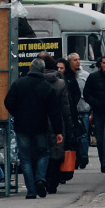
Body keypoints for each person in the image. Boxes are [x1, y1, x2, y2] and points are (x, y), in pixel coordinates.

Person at [5, 58, 63, 198]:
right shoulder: (47, 86)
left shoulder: (19, 83)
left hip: (22, 126)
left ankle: (31, 191)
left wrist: (17, 113)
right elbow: (54, 111)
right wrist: (58, 131)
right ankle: (40, 179)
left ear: (30, 69)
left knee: (25, 159)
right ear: (43, 70)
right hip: (40, 126)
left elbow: (8, 101)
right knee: (43, 153)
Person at [40, 54, 73, 193]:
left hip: (38, 121)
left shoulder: (34, 81)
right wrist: (69, 125)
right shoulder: (60, 83)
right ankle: (52, 183)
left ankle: (42, 179)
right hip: (57, 121)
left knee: (41, 152)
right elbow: (66, 106)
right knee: (56, 152)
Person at [65, 53, 91, 169]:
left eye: (79, 59)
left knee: (84, 135)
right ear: (69, 61)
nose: (78, 62)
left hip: (83, 109)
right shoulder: (66, 76)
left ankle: (84, 157)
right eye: (75, 60)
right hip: (70, 111)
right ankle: (76, 158)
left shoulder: (85, 75)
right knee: (72, 136)